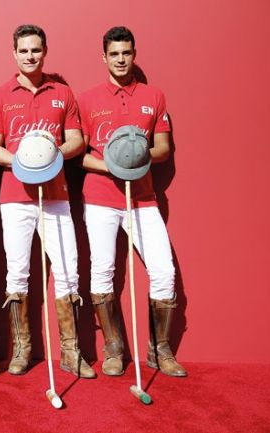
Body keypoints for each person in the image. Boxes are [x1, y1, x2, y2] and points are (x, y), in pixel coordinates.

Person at [0, 24, 95, 378]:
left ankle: (71, 352)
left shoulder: (62, 93)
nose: (30, 56)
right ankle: (22, 349)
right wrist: (23, 163)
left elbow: (77, 140)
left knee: (67, 270)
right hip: (15, 196)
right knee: (17, 271)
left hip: (56, 194)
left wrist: (51, 156)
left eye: (36, 50)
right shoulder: (0, 96)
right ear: (14, 53)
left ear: (44, 51)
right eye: (24, 50)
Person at [78, 26, 187, 377]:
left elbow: (163, 148)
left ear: (134, 54)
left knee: (163, 270)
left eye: (126, 53)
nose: (121, 59)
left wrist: (135, 157)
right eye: (114, 54)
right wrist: (113, 165)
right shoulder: (87, 99)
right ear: (104, 57)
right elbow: (80, 154)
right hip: (99, 197)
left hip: (142, 198)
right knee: (102, 269)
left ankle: (159, 350)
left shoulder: (153, 96)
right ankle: (113, 349)